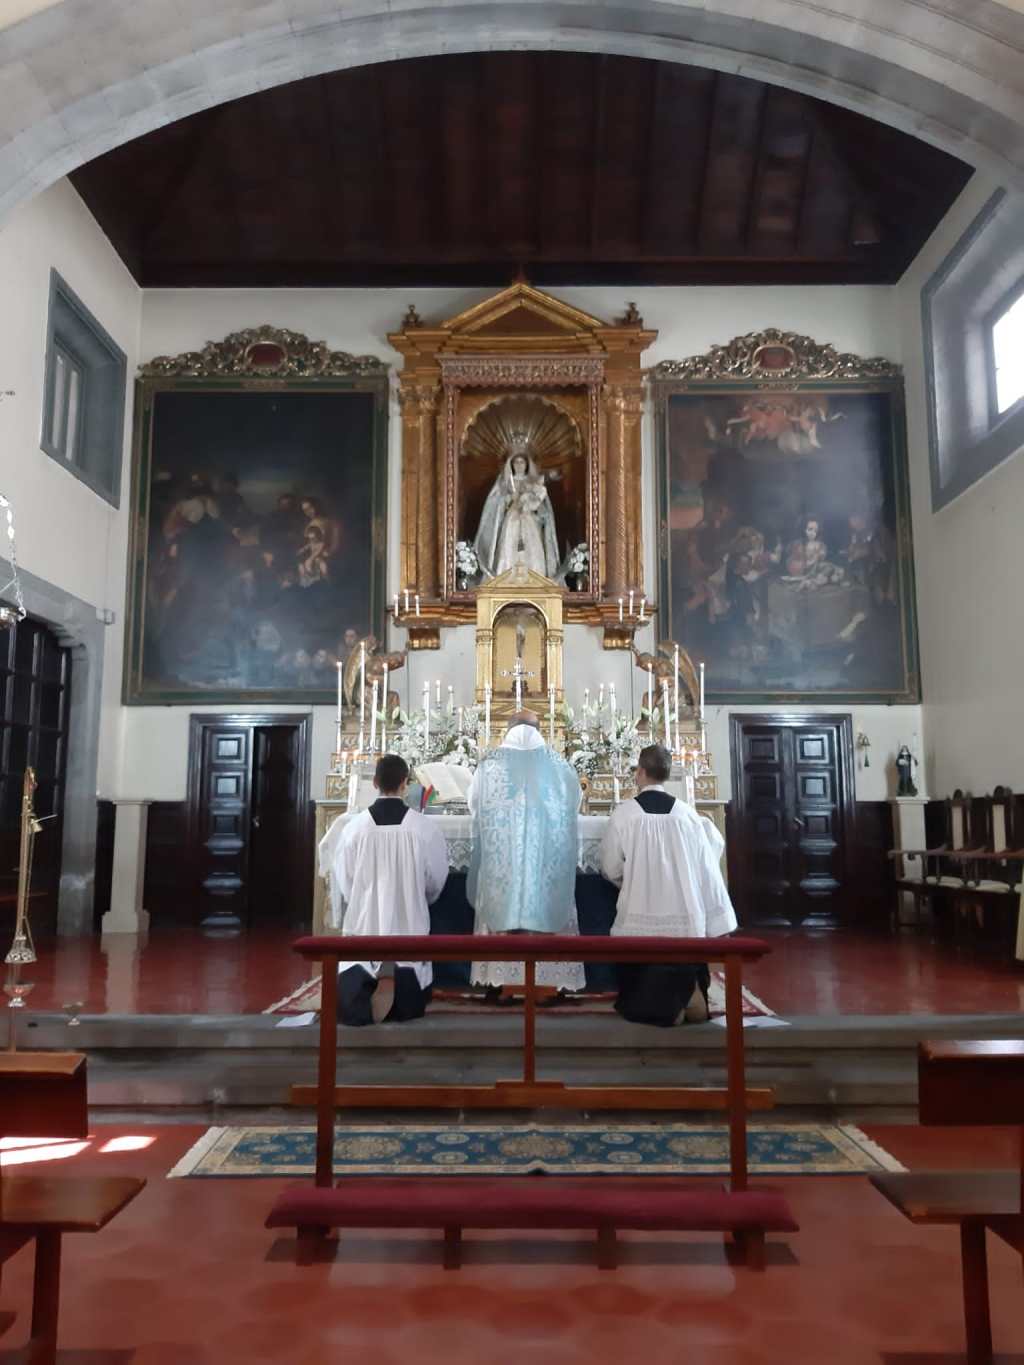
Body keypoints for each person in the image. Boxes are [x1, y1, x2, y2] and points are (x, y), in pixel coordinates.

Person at [600, 743, 737, 1027]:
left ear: (640, 772)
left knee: (640, 991)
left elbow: (610, 868)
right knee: (683, 959)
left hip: (640, 917)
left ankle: (663, 1006)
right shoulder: (688, 815)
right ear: (666, 774)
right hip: (685, 919)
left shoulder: (625, 815)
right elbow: (705, 868)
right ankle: (689, 992)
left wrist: (635, 882)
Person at [327, 753, 449, 1026]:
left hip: (364, 917)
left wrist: (363, 898)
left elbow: (345, 880)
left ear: (375, 783)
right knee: (411, 998)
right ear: (405, 783)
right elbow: (436, 879)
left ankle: (356, 999)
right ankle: (407, 999)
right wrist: (419, 898)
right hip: (410, 918)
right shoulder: (424, 828)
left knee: (351, 1000)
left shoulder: (354, 829)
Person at [467, 709, 583, 992]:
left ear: (507, 729)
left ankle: (502, 982)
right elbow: (574, 809)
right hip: (544, 866)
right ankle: (548, 984)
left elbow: (474, 808)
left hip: (502, 867)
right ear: (540, 729)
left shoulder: (488, 766)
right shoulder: (561, 767)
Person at [473, 450, 560, 579]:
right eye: (516, 462)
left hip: (529, 519)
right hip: (511, 519)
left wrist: (530, 503)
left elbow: (542, 507)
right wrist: (508, 499)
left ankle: (536, 579)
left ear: (527, 464)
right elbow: (496, 503)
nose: (519, 465)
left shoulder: (534, 482)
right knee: (508, 546)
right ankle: (505, 578)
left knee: (533, 548)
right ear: (511, 465)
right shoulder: (505, 482)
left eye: (522, 462)